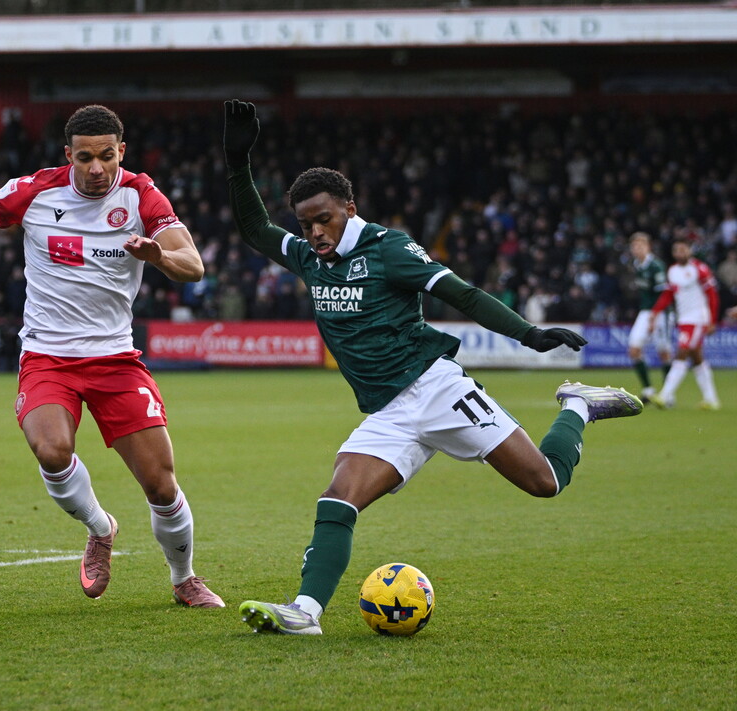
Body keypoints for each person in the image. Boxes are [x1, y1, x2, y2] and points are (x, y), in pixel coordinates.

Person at [222, 100, 642, 636]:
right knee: (336, 498)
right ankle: (306, 613)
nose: (315, 233)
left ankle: (578, 405)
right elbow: (256, 228)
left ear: (349, 207)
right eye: (306, 224)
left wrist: (531, 335)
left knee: (545, 482)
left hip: (436, 388)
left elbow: (462, 295)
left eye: (323, 219)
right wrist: (239, 161)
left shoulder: (389, 248)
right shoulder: (309, 256)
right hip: (388, 412)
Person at [0, 104, 224, 608]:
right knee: (51, 450)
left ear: (122, 152)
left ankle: (184, 578)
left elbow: (194, 266)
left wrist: (157, 255)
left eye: (107, 157)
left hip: (116, 359)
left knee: (161, 485)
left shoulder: (141, 195)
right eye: (86, 157)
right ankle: (100, 529)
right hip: (48, 357)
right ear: (68, 154)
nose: (97, 169)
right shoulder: (33, 192)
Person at [648, 238, 721, 410]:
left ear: (690, 251)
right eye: (676, 250)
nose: (679, 253)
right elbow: (668, 294)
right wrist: (655, 312)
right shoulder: (672, 271)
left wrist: (712, 320)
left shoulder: (700, 269)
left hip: (698, 318)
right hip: (684, 319)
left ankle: (665, 395)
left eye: (683, 250)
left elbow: (712, 296)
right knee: (697, 358)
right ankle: (711, 399)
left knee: (681, 352)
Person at [626, 232, 673, 403]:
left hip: (661, 312)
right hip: (645, 311)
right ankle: (648, 390)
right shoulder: (637, 265)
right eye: (634, 246)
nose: (637, 249)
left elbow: (663, 294)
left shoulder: (656, 266)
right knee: (634, 349)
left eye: (640, 246)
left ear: (648, 247)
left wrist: (654, 316)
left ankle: (668, 394)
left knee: (664, 352)